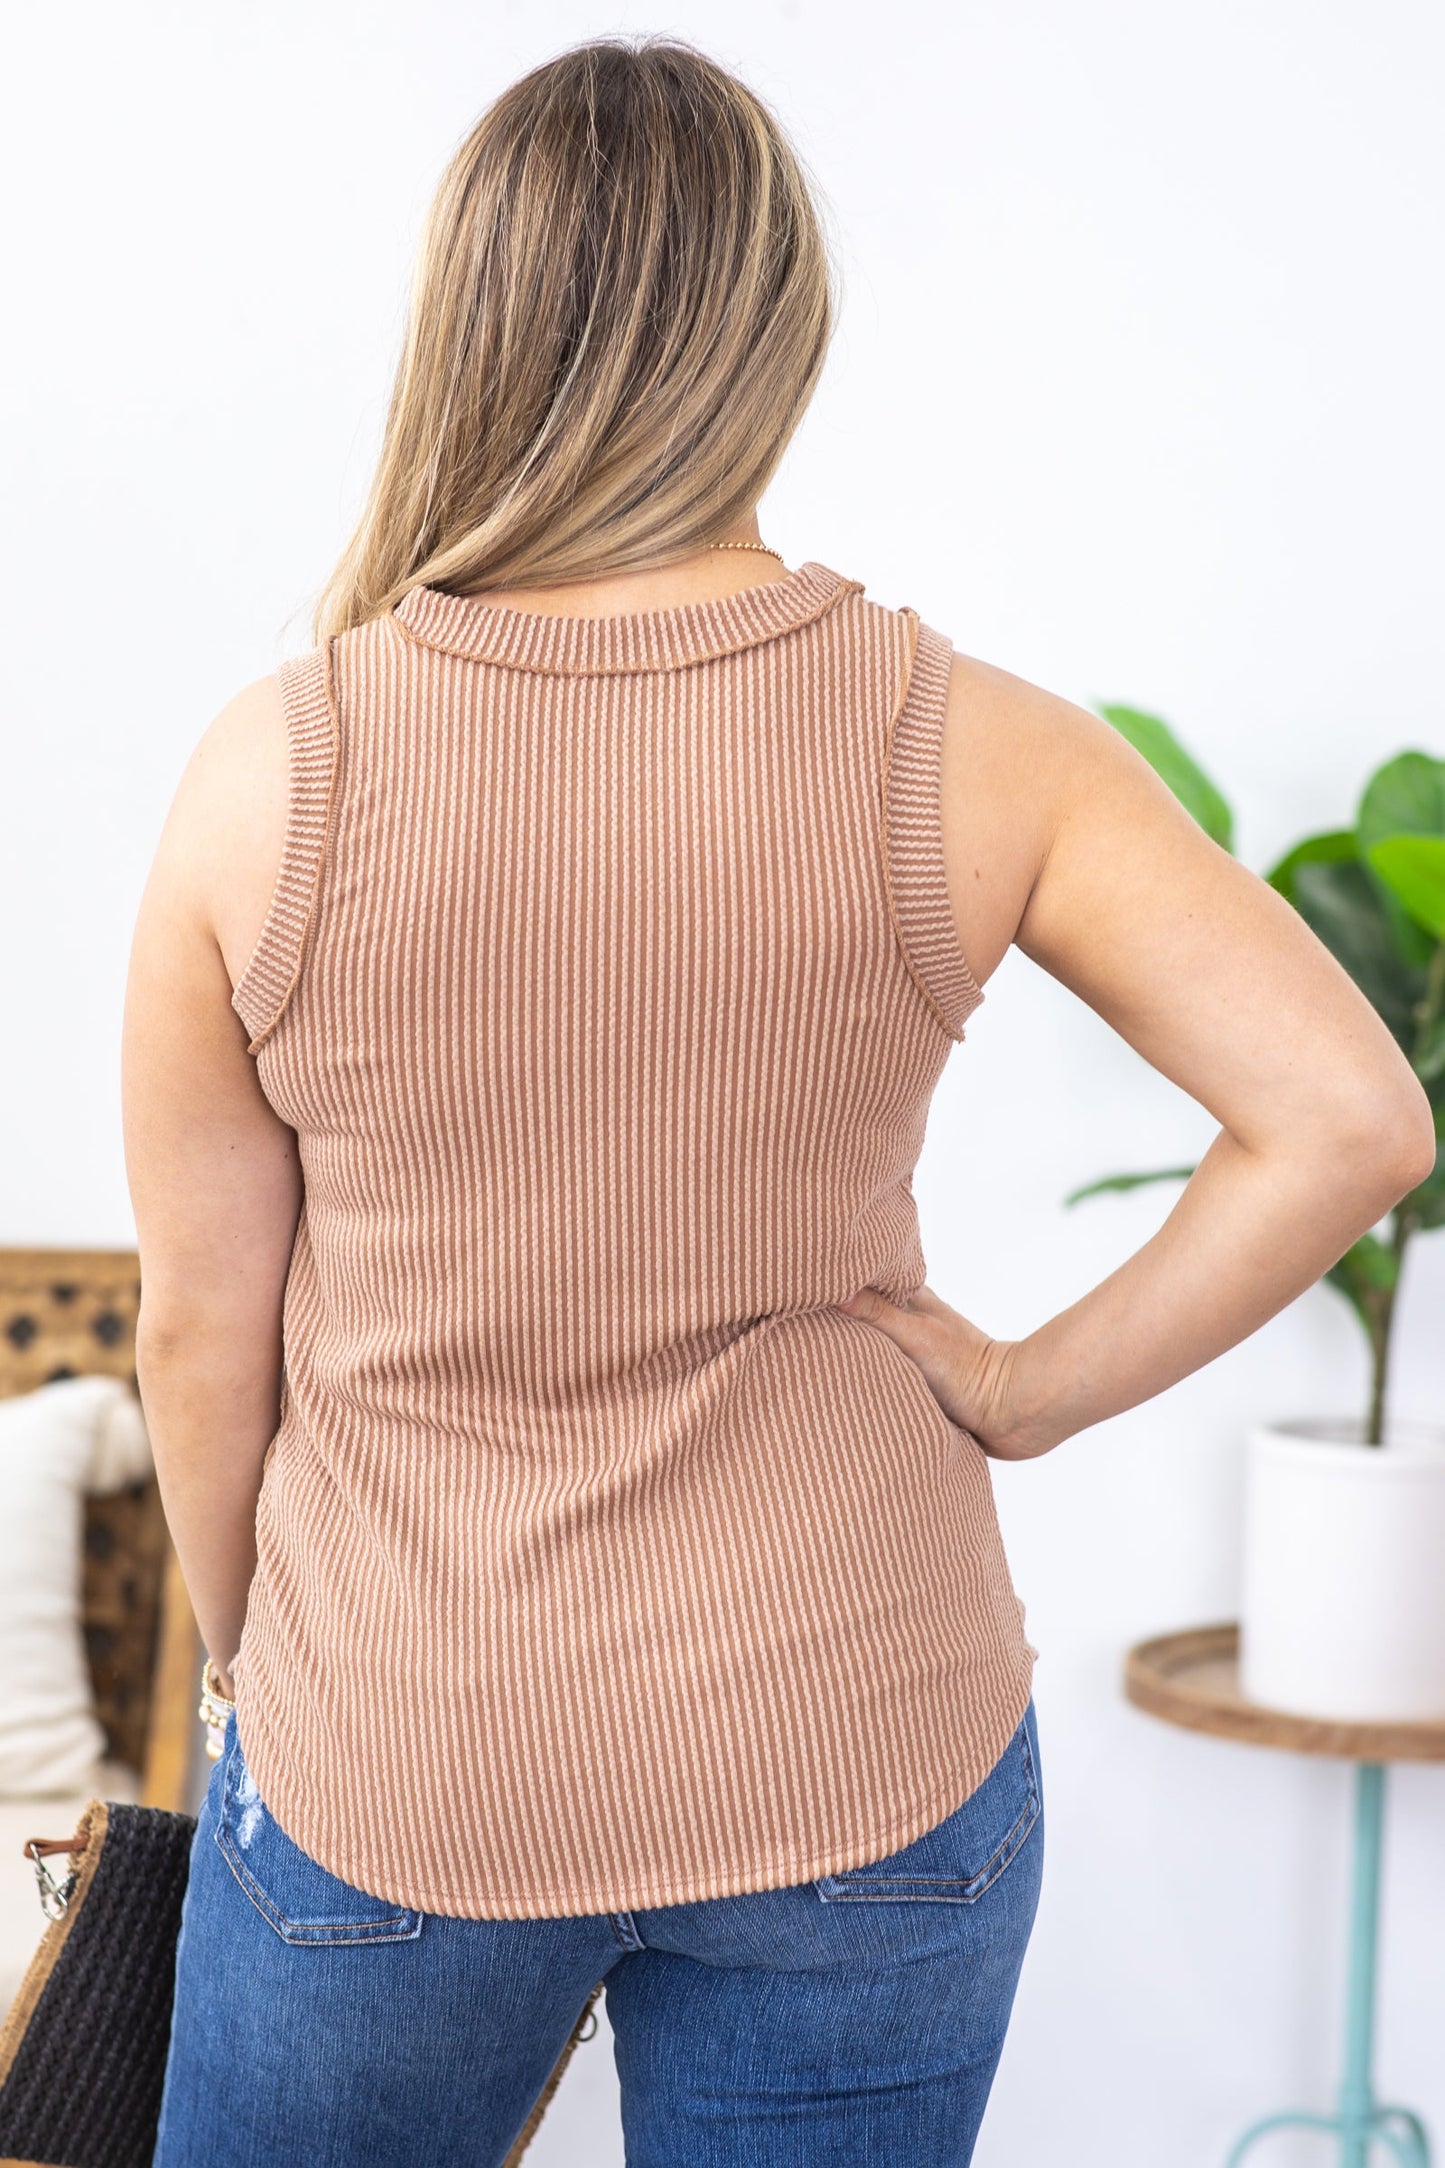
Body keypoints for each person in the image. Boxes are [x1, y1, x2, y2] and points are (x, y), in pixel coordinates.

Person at [121, 33, 1434, 2168]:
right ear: (778, 330)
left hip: (404, 1754)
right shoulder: (971, 738)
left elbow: (198, 1324)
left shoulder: (277, 770)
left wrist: (262, 1670)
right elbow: (1352, 1118)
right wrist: (1018, 1388)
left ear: (466, 317)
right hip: (865, 1743)